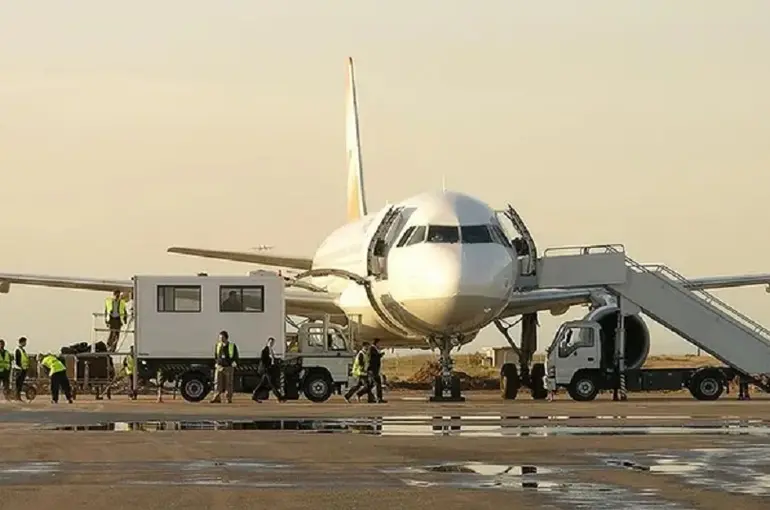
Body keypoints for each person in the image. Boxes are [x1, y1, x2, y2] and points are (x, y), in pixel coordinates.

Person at [252, 337, 285, 402]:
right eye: (270, 342)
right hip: (266, 370)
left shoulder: (271, 350)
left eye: (272, 343)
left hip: (268, 369)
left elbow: (272, 360)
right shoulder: (265, 350)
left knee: (262, 384)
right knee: (272, 384)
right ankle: (280, 397)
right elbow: (263, 360)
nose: (271, 344)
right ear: (267, 342)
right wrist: (267, 367)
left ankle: (254, 395)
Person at [210, 331, 239, 403]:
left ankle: (228, 398)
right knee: (217, 382)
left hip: (228, 367)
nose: (220, 339)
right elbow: (216, 356)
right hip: (219, 366)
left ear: (226, 337)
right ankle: (216, 397)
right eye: (220, 337)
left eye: (222, 337)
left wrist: (234, 363)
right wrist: (216, 364)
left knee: (229, 383)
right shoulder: (218, 345)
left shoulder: (232, 346)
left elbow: (236, 356)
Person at [357, 338, 385, 403]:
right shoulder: (372, 349)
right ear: (377, 343)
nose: (380, 345)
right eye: (379, 343)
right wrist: (380, 355)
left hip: (374, 370)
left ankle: (361, 394)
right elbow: (374, 359)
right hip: (373, 370)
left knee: (371, 385)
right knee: (378, 384)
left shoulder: (374, 349)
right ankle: (379, 398)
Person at [13, 337, 30, 401]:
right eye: (25, 342)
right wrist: (20, 367)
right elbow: (18, 360)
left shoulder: (22, 350)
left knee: (20, 383)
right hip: (19, 369)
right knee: (18, 383)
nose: (25, 343)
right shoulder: (18, 350)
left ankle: (18, 396)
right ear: (22, 342)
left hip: (23, 368)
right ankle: (17, 397)